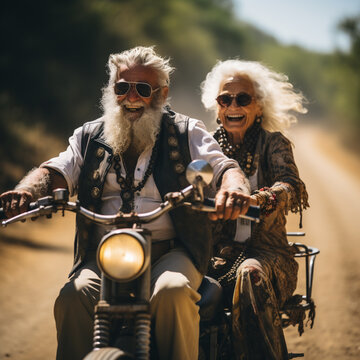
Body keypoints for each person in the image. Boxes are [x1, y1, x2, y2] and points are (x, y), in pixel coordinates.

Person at [0, 47, 252, 360]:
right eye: (122, 87)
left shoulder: (187, 132)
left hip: (171, 250)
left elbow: (224, 167)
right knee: (72, 297)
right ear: (112, 90)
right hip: (105, 253)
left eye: (142, 89)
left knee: (172, 292)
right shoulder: (89, 135)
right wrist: (26, 192)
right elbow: (56, 172)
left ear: (161, 94)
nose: (131, 97)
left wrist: (234, 189)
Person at [201, 59, 309, 360]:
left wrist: (257, 200)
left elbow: (290, 186)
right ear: (218, 105)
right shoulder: (205, 146)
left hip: (267, 255)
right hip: (214, 254)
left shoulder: (273, 144)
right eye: (225, 98)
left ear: (258, 106)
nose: (233, 105)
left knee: (250, 274)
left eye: (243, 99)